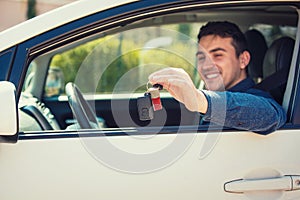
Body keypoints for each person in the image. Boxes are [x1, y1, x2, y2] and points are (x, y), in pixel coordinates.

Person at [148, 21, 286, 134]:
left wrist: (200, 100)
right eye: (201, 58)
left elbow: (272, 115)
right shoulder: (212, 102)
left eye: (218, 55)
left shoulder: (257, 99)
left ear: (243, 60)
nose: (207, 65)